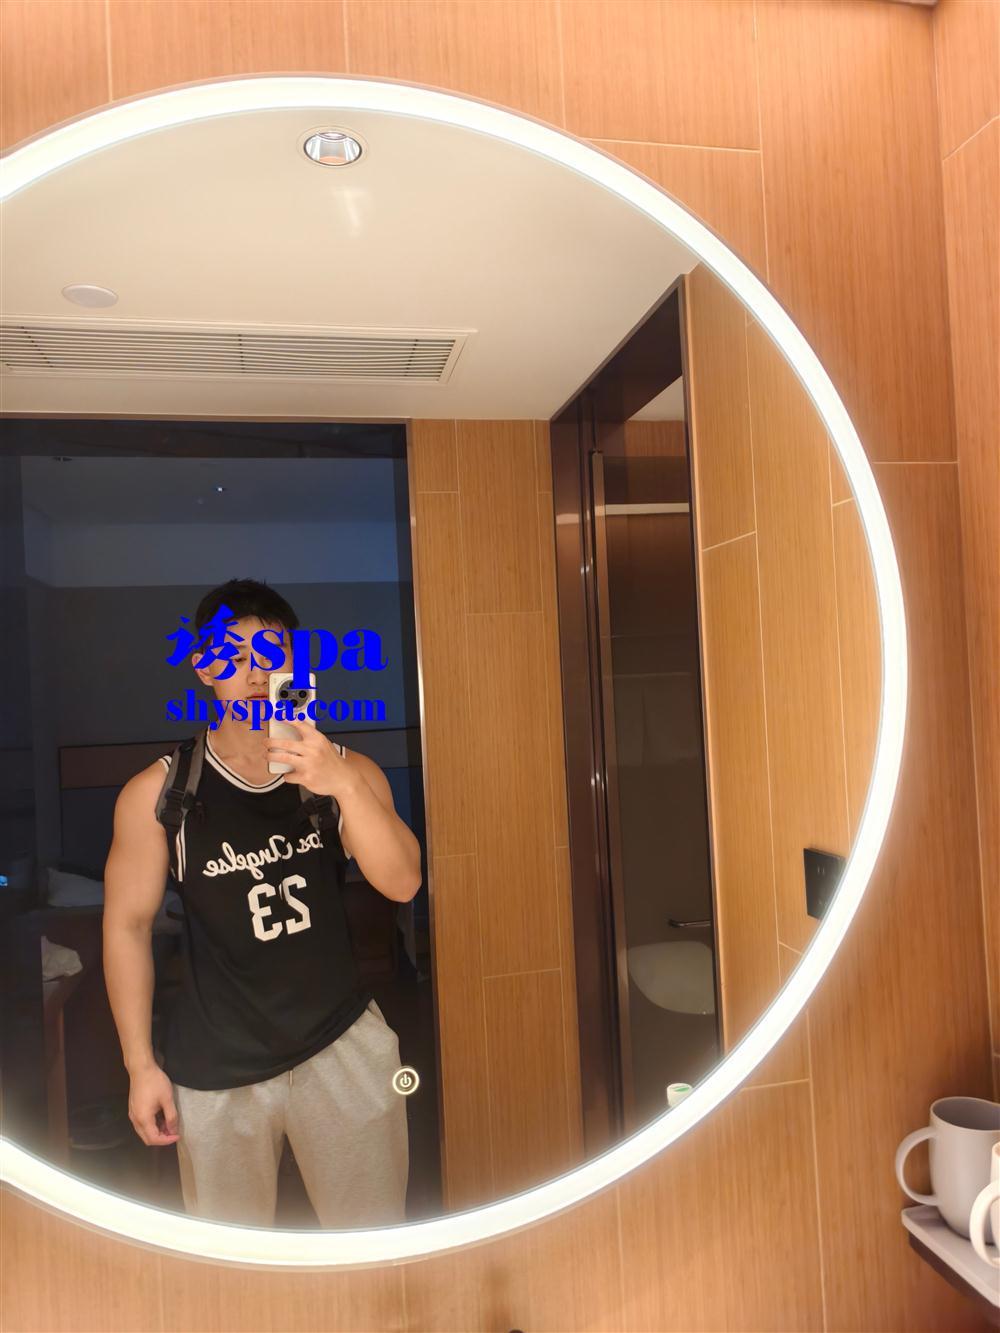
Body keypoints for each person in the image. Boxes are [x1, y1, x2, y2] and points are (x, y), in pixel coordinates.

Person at [103, 578, 421, 1228]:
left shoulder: (345, 772)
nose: (253, 673)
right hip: (215, 1061)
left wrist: (341, 783)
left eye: (271, 655)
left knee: (372, 1242)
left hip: (339, 1041)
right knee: (232, 1262)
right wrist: (140, 1064)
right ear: (203, 667)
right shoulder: (160, 794)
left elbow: (403, 882)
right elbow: (127, 926)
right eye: (233, 656)